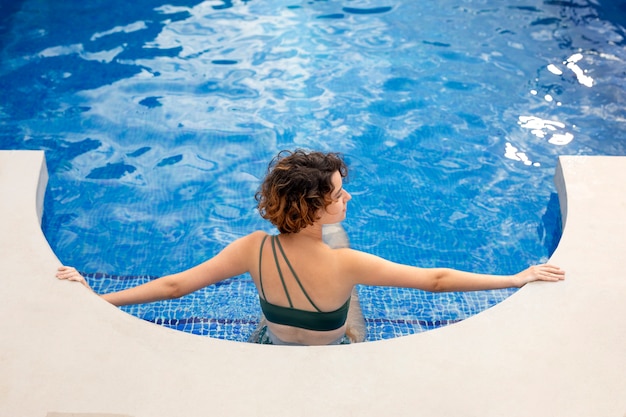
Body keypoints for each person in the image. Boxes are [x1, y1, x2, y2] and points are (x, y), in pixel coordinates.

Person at [56, 149, 565, 346]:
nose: (349, 196)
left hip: (268, 344)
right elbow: (435, 281)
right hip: (333, 351)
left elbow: (173, 286)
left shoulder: (251, 249)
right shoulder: (347, 263)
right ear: (314, 208)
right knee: (353, 323)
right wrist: (515, 278)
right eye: (340, 193)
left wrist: (97, 299)